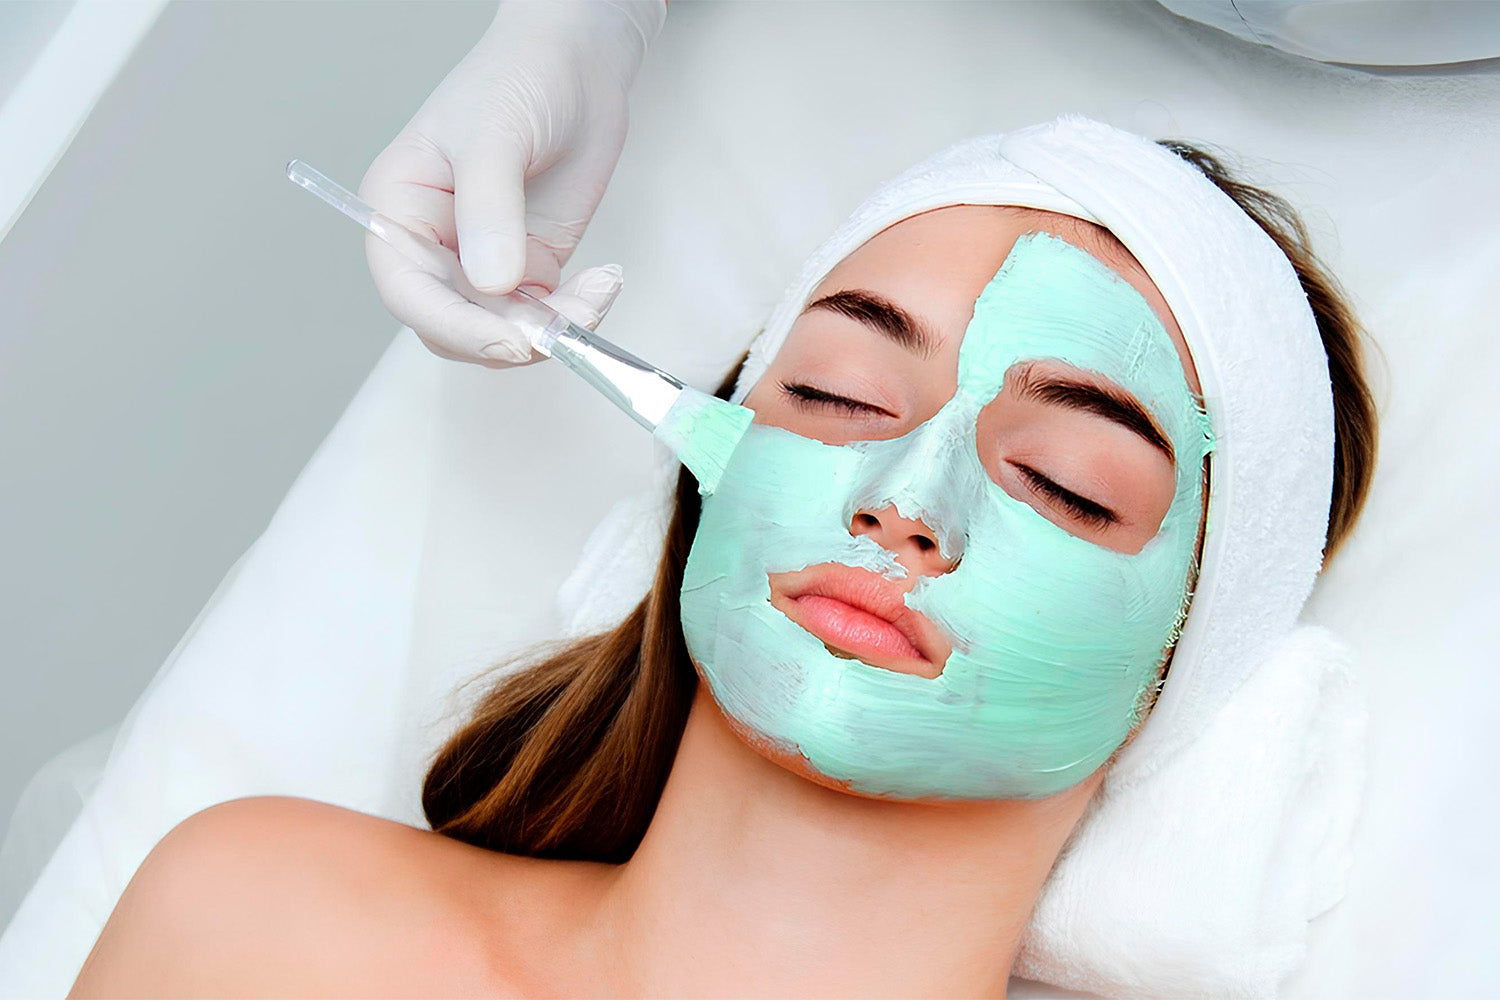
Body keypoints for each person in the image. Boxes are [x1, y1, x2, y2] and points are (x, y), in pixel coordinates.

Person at [66, 117, 1378, 990]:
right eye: (840, 397)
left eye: (1064, 484)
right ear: (711, 463)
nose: (902, 502)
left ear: (1188, 654)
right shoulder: (261, 923)